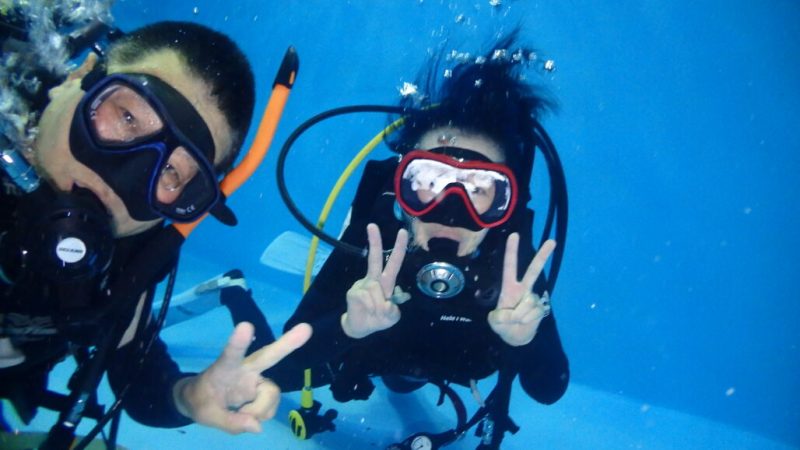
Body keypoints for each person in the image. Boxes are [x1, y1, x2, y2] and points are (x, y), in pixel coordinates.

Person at [226, 31, 570, 448]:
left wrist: (528, 339)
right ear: (401, 187)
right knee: (263, 377)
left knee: (403, 385)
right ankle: (234, 290)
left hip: (436, 363)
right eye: (428, 181)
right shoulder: (377, 243)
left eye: (480, 190)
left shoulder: (511, 266)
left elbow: (549, 387)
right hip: (377, 353)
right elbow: (288, 357)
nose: (450, 211)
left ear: (505, 206)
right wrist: (347, 326)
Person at [0, 15, 310, 445]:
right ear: (77, 76)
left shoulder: (133, 250)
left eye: (172, 172)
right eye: (127, 116)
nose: (119, 178)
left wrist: (189, 397)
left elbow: (136, 370)